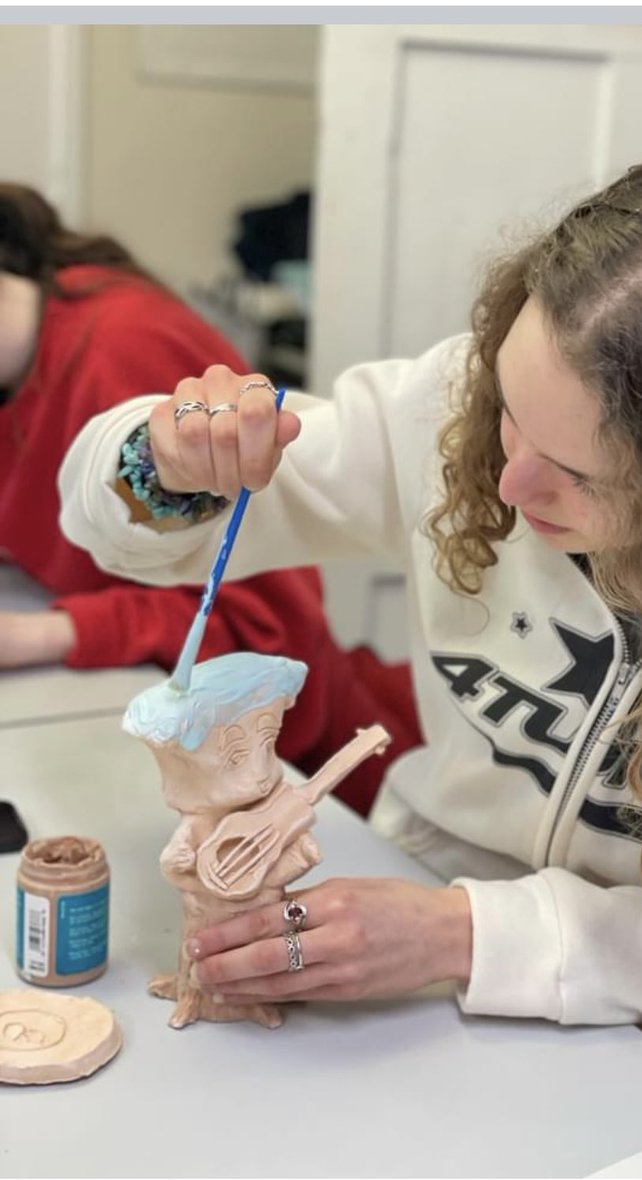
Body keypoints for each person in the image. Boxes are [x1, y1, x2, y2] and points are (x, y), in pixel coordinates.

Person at [59, 140, 642, 1176]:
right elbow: (153, 510)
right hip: (401, 998)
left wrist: (463, 935)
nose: (506, 485)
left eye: (576, 476)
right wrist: (166, 461)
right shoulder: (496, 396)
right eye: (507, 412)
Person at [0, 183, 420, 814]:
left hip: (286, 758)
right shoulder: (23, 371)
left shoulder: (121, 345)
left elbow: (264, 629)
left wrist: (44, 635)